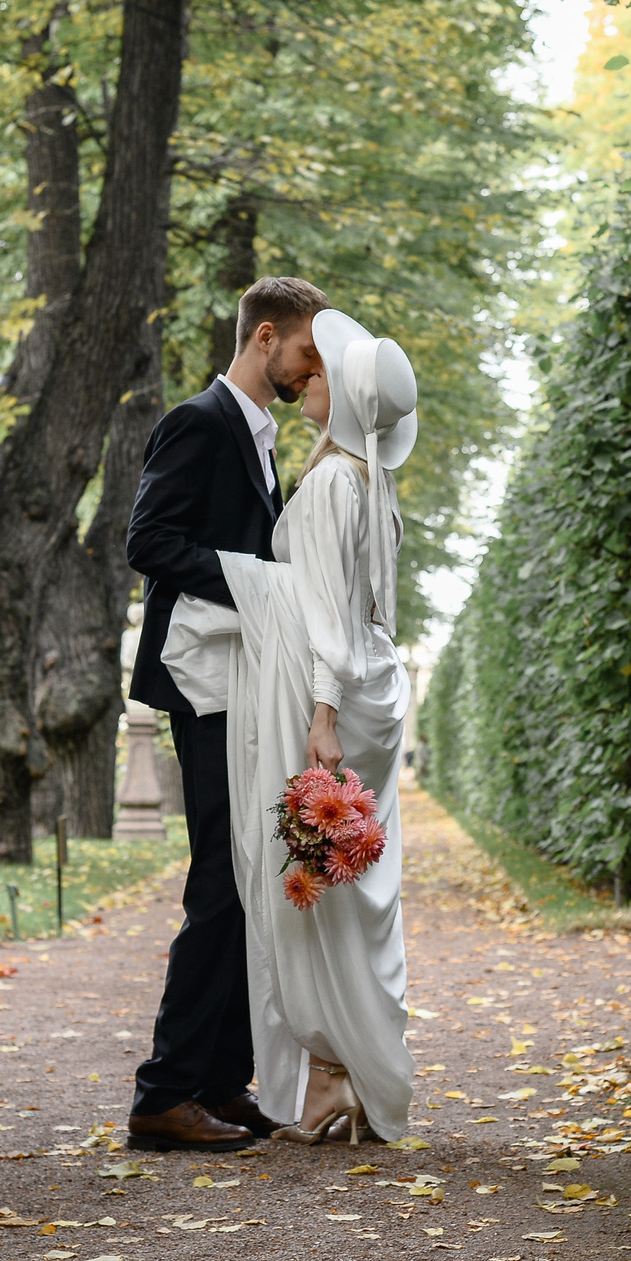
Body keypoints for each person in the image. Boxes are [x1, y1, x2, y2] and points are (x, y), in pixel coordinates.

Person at [159, 309, 418, 1146]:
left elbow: (329, 616)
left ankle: (323, 1073)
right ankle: (301, 1076)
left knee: (289, 891)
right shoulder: (363, 481)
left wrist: (320, 714)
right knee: (299, 893)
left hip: (317, 698)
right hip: (337, 690)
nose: (312, 373)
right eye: (309, 357)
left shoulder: (334, 481)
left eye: (325, 369)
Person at [121, 276, 330, 1152]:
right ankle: (163, 1093)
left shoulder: (261, 436)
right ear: (265, 335)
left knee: (248, 877)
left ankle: (218, 1079)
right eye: (307, 353)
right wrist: (260, 580)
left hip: (243, 678)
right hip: (202, 681)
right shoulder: (198, 422)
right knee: (219, 879)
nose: (312, 369)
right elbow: (149, 541)